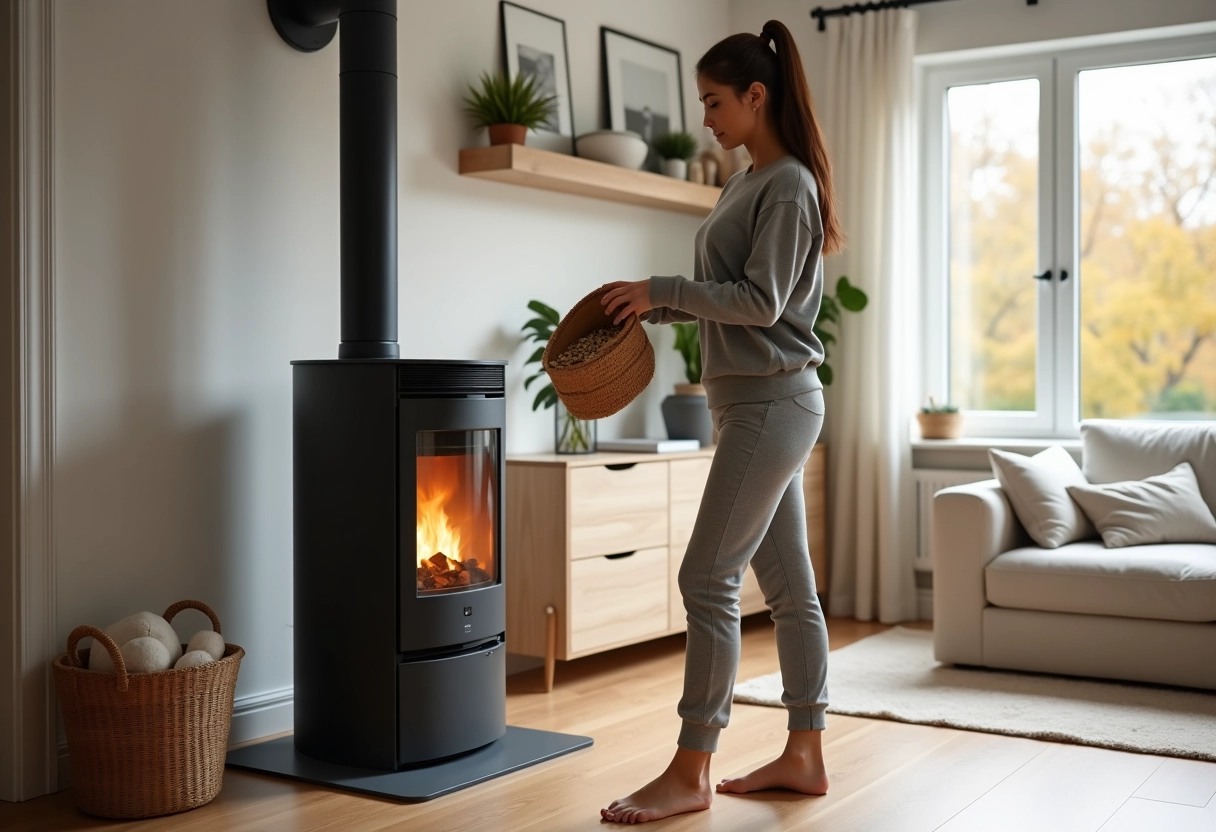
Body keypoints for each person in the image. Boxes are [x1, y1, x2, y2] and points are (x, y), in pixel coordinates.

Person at [598, 19, 846, 825]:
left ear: (755, 96)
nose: (704, 117)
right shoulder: (745, 181)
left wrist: (662, 287)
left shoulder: (789, 184)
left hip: (773, 404)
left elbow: (763, 303)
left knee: (706, 579)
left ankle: (691, 767)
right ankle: (804, 754)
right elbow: (732, 300)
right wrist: (651, 306)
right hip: (755, 402)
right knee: (789, 588)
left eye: (713, 101)